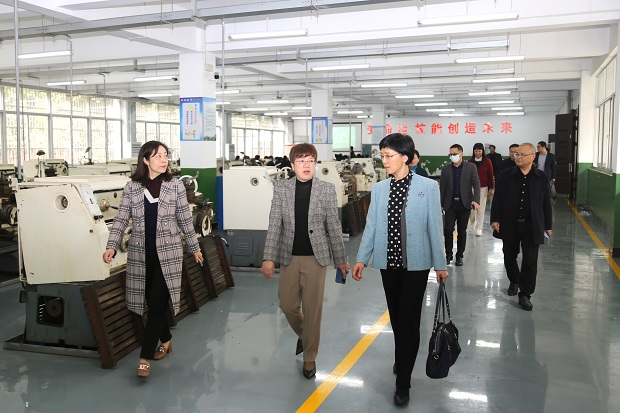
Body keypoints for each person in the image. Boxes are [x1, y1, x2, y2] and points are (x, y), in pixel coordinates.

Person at [352, 133, 448, 407]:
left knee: (409, 319)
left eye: (388, 156)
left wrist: (440, 264)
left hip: (416, 265)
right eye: (382, 155)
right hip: (389, 264)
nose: (384, 161)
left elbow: (435, 228)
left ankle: (403, 382)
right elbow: (371, 225)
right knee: (396, 317)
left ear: (405, 157)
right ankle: (402, 357)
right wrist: (362, 258)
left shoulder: (428, 187)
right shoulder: (380, 189)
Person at [103, 140, 204, 378]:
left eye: (166, 155)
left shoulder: (175, 186)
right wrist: (112, 246)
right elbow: (121, 219)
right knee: (150, 301)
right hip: (141, 254)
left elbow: (184, 219)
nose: (164, 159)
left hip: (169, 254)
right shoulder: (132, 187)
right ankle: (166, 339)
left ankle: (145, 357)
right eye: (158, 156)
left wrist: (195, 247)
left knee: (157, 302)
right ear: (145, 160)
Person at [261, 143, 349, 380]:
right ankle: (305, 335)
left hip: (315, 259)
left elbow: (333, 226)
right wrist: (269, 257)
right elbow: (274, 224)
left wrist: (341, 259)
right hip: (288, 257)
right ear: (292, 165)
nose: (306, 165)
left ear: (315, 163)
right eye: (301, 161)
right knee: (287, 305)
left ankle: (309, 357)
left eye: (310, 160)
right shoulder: (282, 189)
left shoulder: (326, 189)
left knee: (312, 310)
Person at [490, 143, 552, 311]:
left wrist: (548, 225)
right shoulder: (505, 175)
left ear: (533, 156)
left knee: (530, 261)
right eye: (517, 154)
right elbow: (498, 198)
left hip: (532, 224)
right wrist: (495, 219)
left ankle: (525, 294)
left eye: (523, 155)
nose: (518, 157)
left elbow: (546, 203)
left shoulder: (541, 177)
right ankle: (514, 280)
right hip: (510, 223)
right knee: (509, 256)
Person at [440, 144, 480, 266]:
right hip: (450, 204)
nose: (452, 156)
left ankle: (459, 256)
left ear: (461, 154)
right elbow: (442, 187)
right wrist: (441, 204)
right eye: (450, 154)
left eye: (454, 154)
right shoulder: (446, 169)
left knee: (462, 232)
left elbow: (476, 184)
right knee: (448, 230)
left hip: (464, 204)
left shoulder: (471, 167)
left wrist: (476, 200)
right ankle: (448, 254)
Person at [467, 143, 494, 236]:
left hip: (483, 187)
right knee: (471, 209)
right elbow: (467, 176)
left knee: (481, 209)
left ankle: (479, 228)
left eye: (479, 151)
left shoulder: (487, 162)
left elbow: (490, 175)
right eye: (476, 151)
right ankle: (472, 222)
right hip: (471, 188)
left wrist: (491, 188)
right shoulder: (470, 161)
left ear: (482, 151)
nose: (477, 153)